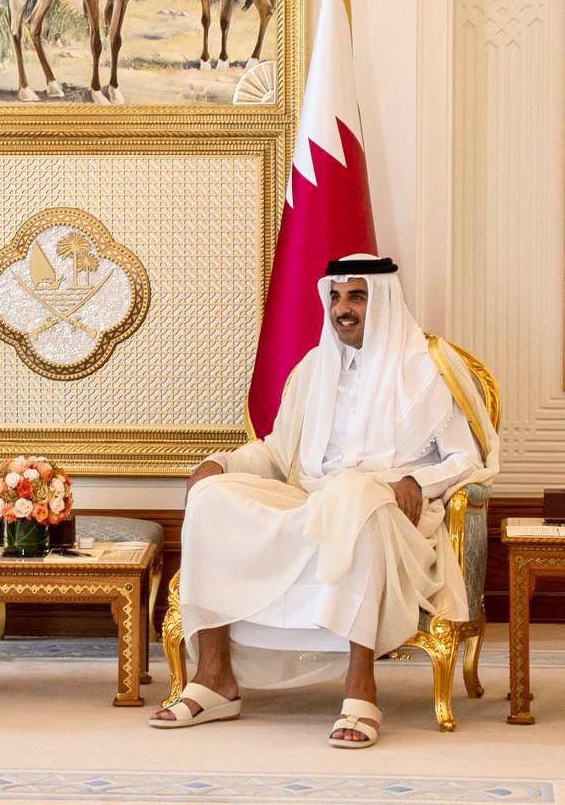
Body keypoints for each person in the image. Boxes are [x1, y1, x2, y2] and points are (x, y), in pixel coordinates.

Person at [150, 254, 497, 747]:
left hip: (391, 509)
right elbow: (276, 450)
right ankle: (214, 679)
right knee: (211, 496)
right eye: (335, 297)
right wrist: (223, 464)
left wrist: (419, 481)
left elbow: (466, 457)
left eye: (356, 296)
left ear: (383, 301)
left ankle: (360, 691)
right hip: (310, 497)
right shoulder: (315, 367)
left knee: (357, 495)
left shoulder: (426, 369)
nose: (342, 309)